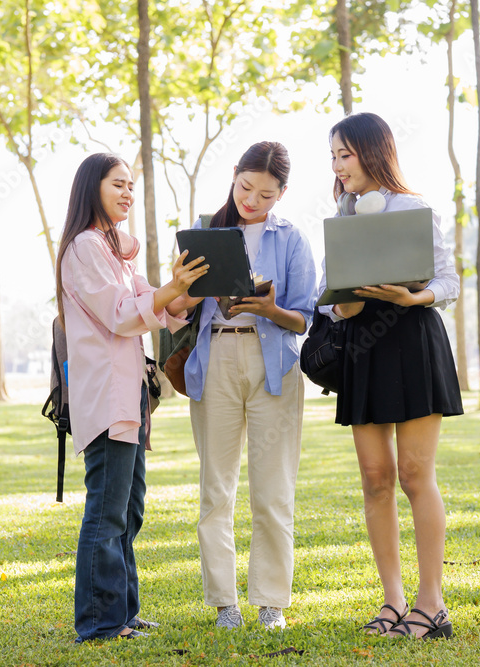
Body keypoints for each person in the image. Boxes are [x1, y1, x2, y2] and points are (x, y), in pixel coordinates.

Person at [318, 112, 463, 640]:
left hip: (413, 342)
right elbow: (325, 295)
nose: (337, 165)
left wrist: (411, 296)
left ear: (372, 152)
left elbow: (448, 281)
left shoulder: (413, 207)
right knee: (375, 479)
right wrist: (341, 311)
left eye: (345, 154)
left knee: (414, 474)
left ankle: (432, 604)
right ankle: (394, 602)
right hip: (364, 347)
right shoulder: (342, 214)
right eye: (333, 156)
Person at [56, 153, 207, 642]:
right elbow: (123, 314)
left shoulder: (116, 252)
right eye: (117, 185)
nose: (126, 193)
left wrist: (192, 290)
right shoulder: (84, 248)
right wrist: (168, 293)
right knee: (106, 509)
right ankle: (101, 622)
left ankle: (122, 611)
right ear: (91, 189)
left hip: (132, 397)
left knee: (130, 507)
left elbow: (157, 303)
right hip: (105, 396)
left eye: (130, 187)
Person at [170, 141, 316, 630]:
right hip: (215, 357)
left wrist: (270, 309)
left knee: (273, 489)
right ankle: (224, 603)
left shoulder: (292, 239)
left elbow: (303, 319)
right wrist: (184, 287)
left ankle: (271, 601)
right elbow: (180, 309)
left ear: (283, 193)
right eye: (246, 187)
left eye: (267, 195)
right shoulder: (205, 232)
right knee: (216, 488)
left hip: (273, 362)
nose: (253, 200)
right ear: (234, 175)